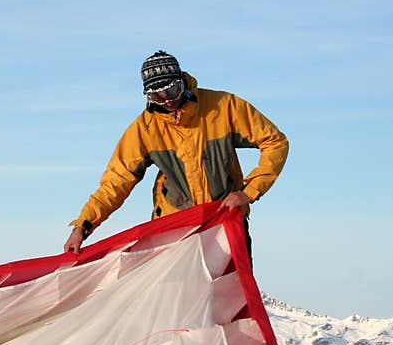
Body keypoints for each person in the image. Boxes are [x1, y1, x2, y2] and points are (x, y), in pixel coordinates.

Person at [63, 50, 288, 261]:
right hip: (175, 232)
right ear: (147, 96)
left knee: (231, 298)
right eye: (157, 96)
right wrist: (82, 227)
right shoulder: (145, 129)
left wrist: (249, 192)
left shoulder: (223, 107)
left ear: (183, 81)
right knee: (179, 300)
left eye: (172, 90)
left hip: (226, 224)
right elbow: (115, 183)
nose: (168, 100)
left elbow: (275, 141)